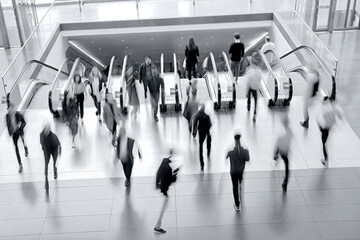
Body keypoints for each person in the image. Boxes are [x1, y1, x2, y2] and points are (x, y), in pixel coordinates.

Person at [154, 153, 179, 234]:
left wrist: (157, 184)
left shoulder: (162, 165)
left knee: (164, 206)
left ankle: (157, 226)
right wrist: (175, 176)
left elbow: (159, 175)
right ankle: (157, 227)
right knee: (163, 208)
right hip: (164, 191)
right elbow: (171, 180)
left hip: (161, 187)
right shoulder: (168, 169)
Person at [226, 134, 249, 212]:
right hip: (240, 171)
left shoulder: (231, 152)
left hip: (233, 172)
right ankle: (240, 188)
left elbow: (226, 156)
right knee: (239, 182)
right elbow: (247, 159)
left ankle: (237, 204)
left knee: (234, 187)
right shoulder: (245, 151)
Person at [318, 97, 343, 166]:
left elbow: (324, 121)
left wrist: (319, 126)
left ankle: (326, 160)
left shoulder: (327, 111)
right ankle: (325, 159)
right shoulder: (332, 109)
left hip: (325, 129)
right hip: (327, 128)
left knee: (324, 144)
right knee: (324, 144)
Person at [6, 103, 28, 173]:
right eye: (8, 110)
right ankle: (20, 164)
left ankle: (25, 148)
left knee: (23, 140)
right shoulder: (7, 116)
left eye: (10, 109)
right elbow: (8, 125)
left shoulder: (19, 115)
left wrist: (19, 126)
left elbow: (24, 123)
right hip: (14, 133)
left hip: (20, 131)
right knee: (16, 148)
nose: (9, 111)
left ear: (13, 109)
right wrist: (10, 132)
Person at [273, 116, 293, 192]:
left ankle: (276, 157)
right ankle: (285, 182)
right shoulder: (289, 134)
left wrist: (275, 154)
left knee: (285, 163)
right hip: (286, 151)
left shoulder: (281, 138)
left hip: (282, 151)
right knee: (287, 165)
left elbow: (278, 146)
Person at [40, 123, 61, 189]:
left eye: (48, 129)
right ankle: (46, 178)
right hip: (47, 150)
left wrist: (59, 153)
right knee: (46, 163)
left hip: (54, 149)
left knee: (55, 163)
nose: (47, 130)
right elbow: (42, 143)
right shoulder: (41, 135)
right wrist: (44, 150)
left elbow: (59, 145)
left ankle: (55, 171)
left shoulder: (53, 136)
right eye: (46, 129)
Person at [192, 103, 212, 171]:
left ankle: (202, 163)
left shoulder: (197, 115)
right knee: (208, 142)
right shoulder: (207, 116)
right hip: (207, 131)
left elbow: (194, 123)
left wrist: (194, 132)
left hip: (201, 132)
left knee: (200, 146)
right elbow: (210, 125)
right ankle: (208, 151)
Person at [245, 54, 262, 122]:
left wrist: (246, 92)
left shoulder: (250, 71)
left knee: (249, 97)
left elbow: (248, 82)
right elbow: (259, 79)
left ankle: (248, 106)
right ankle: (255, 112)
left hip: (250, 87)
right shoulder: (259, 71)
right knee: (255, 100)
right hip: (255, 88)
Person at [64, 84, 79, 148]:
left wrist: (77, 115)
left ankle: (73, 139)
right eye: (68, 94)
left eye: (70, 94)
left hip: (74, 116)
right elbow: (64, 112)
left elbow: (76, 108)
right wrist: (66, 120)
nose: (69, 95)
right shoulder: (63, 103)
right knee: (73, 129)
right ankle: (73, 139)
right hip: (69, 118)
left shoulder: (72, 101)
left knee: (75, 129)